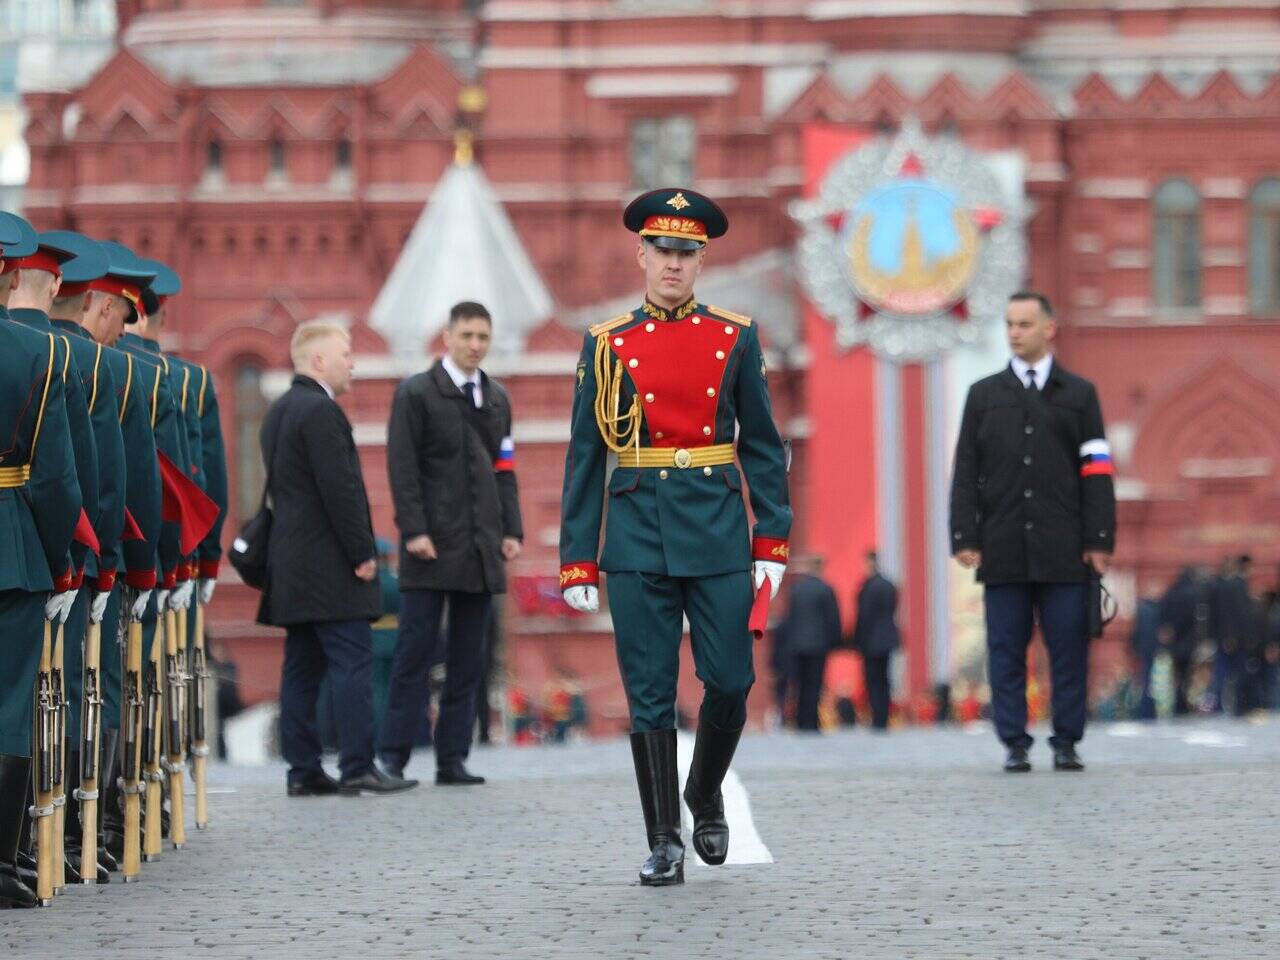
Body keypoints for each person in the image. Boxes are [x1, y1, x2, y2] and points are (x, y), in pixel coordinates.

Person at [559, 187, 791, 885]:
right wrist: (577, 560)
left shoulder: (735, 336)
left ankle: (703, 790)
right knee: (651, 695)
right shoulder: (606, 345)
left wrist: (771, 542)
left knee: (730, 681)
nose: (673, 263)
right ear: (641, 255)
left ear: (701, 261)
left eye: (686, 253)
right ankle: (664, 837)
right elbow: (583, 458)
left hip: (718, 531)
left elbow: (763, 448)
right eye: (662, 250)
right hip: (634, 535)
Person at [949, 290, 1116, 773]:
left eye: (1024, 324)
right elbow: (965, 470)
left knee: (1068, 647)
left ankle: (1066, 739)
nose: (1015, 333)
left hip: (1066, 550)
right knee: (1005, 649)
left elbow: (1098, 469)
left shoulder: (1080, 395)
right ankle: (1014, 742)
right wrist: (964, 536)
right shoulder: (984, 395)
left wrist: (1099, 541)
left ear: (1049, 329)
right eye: (1009, 324)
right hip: (1002, 547)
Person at [258, 322, 415, 797]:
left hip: (290, 567)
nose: (353, 362)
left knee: (301, 667)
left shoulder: (279, 411)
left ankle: (302, 769)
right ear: (319, 361)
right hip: (331, 568)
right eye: (345, 354)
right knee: (352, 662)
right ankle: (357, 765)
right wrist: (363, 553)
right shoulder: (322, 411)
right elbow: (341, 490)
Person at [381, 301, 523, 785]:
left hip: (481, 548)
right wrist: (414, 530)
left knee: (470, 659)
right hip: (430, 547)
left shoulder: (497, 398)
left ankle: (452, 759)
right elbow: (402, 468)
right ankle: (394, 759)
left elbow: (505, 468)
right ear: (448, 336)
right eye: (467, 335)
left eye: (483, 336)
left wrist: (512, 530)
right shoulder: (416, 393)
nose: (476, 345)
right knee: (414, 654)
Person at [0, 210, 81, 909]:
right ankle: (1, 867)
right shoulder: (40, 355)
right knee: (8, 706)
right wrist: (58, 560)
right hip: (12, 548)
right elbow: (54, 478)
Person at [773, 556, 841, 731]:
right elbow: (832, 620)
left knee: (799, 683)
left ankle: (800, 720)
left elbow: (790, 619)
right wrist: (834, 643)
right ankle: (811, 721)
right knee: (814, 684)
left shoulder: (796, 590)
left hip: (797, 645)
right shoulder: (826, 590)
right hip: (818, 645)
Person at [851, 551, 900, 731]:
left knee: (872, 680)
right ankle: (884, 717)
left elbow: (864, 617)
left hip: (871, 641)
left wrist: (856, 641)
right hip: (887, 639)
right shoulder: (889, 585)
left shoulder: (868, 587)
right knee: (885, 679)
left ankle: (877, 718)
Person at [1130, 580, 1164, 721]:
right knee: (1151, 682)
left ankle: (1145, 710)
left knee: (1146, 681)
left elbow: (1136, 632)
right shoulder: (1154, 610)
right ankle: (1148, 711)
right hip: (1151, 650)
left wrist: (1136, 647)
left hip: (1144, 649)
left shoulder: (1142, 609)